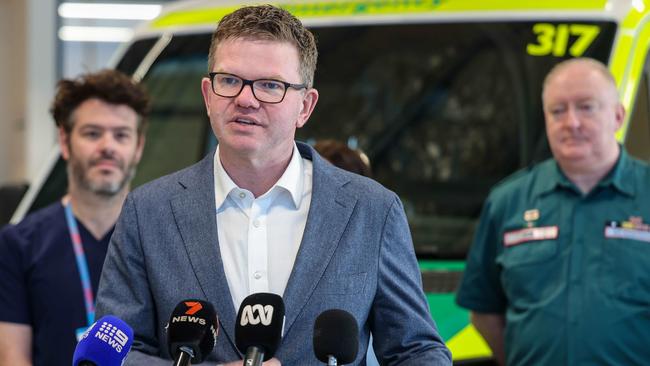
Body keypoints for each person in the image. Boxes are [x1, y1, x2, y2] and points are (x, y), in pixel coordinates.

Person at [95, 5, 451, 366]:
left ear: (305, 106)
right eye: (230, 80)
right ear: (207, 94)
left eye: (270, 85)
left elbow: (417, 351)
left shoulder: (371, 210)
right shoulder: (148, 212)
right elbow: (115, 354)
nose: (246, 99)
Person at [456, 57, 650, 365]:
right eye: (557, 110)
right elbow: (484, 311)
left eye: (586, 107)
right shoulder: (508, 201)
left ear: (617, 116)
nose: (571, 122)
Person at [0, 69, 149, 366]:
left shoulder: (161, 237)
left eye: (121, 135)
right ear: (65, 142)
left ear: (138, 148)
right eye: (92, 133)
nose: (107, 146)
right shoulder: (18, 244)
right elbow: (13, 357)